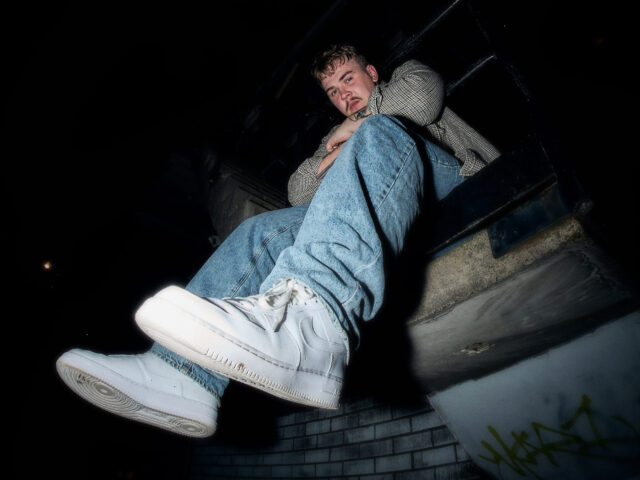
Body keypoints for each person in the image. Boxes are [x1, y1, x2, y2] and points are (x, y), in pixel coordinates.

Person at [56, 45, 498, 438]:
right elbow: (298, 189)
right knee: (260, 232)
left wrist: (353, 131)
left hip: (450, 186)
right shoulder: (332, 137)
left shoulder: (406, 75)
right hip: (386, 214)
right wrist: (339, 140)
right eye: (333, 92)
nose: (344, 96)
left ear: (372, 72)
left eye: (349, 79)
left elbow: (420, 101)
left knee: (380, 132)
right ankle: (181, 374)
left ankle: (312, 324)